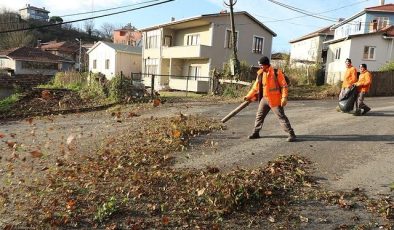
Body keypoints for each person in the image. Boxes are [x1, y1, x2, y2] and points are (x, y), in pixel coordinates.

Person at [244, 56, 296, 142]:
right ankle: (256, 133)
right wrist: (248, 96)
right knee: (259, 116)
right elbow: (255, 88)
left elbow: (284, 86)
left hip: (275, 100)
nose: (260, 67)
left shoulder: (276, 72)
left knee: (281, 117)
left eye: (261, 65)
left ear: (266, 64)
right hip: (264, 99)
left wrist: (284, 97)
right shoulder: (260, 74)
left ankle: (291, 134)